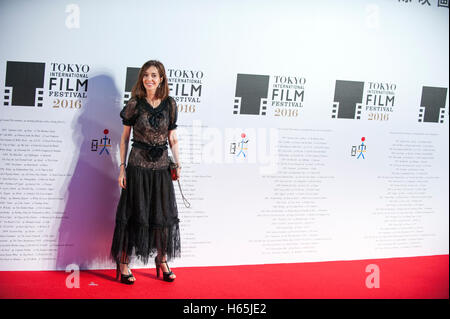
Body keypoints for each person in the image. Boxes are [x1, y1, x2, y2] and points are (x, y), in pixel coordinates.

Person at [110, 60, 181, 284]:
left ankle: (162, 260)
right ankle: (123, 264)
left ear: (161, 79)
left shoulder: (170, 104)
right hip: (137, 168)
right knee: (133, 214)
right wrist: (122, 168)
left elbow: (172, 138)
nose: (149, 79)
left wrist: (178, 163)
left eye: (154, 75)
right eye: (145, 75)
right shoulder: (134, 104)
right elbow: (124, 139)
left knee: (161, 215)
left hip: (161, 169)